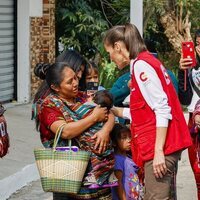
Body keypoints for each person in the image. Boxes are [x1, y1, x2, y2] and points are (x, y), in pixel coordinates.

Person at [103, 23, 192, 200]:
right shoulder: (144, 63)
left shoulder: (141, 66)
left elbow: (161, 108)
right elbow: (144, 112)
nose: (110, 58)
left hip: (160, 147)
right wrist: (113, 110)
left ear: (118, 47)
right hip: (160, 145)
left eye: (109, 52)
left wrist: (158, 151)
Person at [36, 62, 114, 199]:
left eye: (76, 78)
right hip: (70, 179)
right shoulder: (48, 105)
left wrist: (105, 131)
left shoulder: (83, 96)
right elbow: (65, 131)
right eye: (69, 82)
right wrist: (94, 118)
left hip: (100, 180)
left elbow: (109, 112)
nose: (75, 83)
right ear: (55, 87)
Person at [178, 29, 200, 199]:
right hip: (194, 124)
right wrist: (182, 71)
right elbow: (185, 99)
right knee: (197, 172)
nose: (199, 48)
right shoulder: (192, 70)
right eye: (198, 44)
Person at [110, 123, 144, 200]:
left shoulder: (129, 158)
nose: (129, 140)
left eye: (129, 137)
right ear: (114, 142)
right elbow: (118, 183)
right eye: (124, 138)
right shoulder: (118, 160)